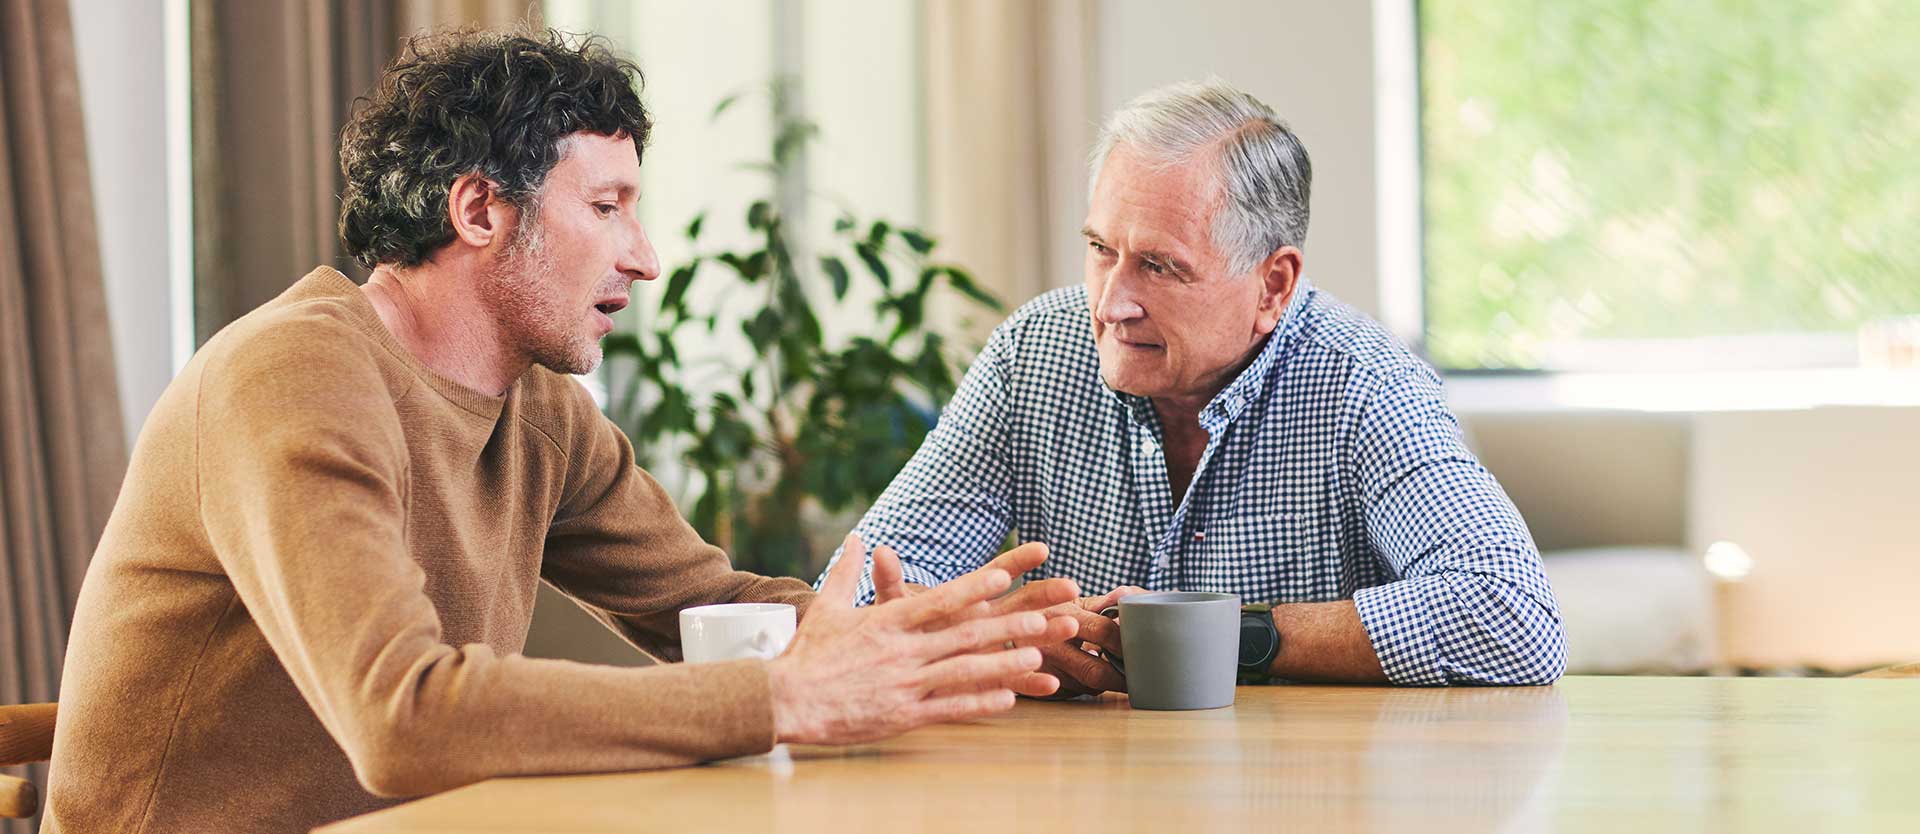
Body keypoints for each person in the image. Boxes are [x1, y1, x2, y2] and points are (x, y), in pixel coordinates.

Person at [43, 29, 1082, 834]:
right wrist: (781, 697)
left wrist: (940, 640)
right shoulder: (294, 377)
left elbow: (707, 609)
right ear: (480, 212)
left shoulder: (538, 412)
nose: (644, 256)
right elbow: (402, 718)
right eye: (609, 206)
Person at [820, 79, 1566, 692]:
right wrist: (1004, 634)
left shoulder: (1365, 382)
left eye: (1160, 266)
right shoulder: (1034, 352)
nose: (1111, 303)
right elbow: (852, 591)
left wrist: (1226, 634)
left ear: (1273, 284)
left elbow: (1513, 615)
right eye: (1100, 250)